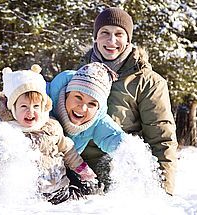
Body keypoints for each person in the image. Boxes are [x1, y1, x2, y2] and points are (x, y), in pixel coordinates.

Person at [0, 62, 128, 192]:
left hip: (57, 176)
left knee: (86, 192)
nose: (82, 108)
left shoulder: (95, 121)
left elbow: (114, 138)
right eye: (78, 97)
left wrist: (132, 153)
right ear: (66, 93)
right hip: (25, 177)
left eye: (92, 103)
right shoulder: (38, 95)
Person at [73, 7, 179, 195]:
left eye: (119, 34)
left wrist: (164, 192)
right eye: (104, 33)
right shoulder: (76, 75)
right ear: (95, 37)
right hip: (76, 172)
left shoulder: (148, 82)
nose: (111, 40)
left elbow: (161, 138)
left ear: (128, 39)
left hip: (120, 178)